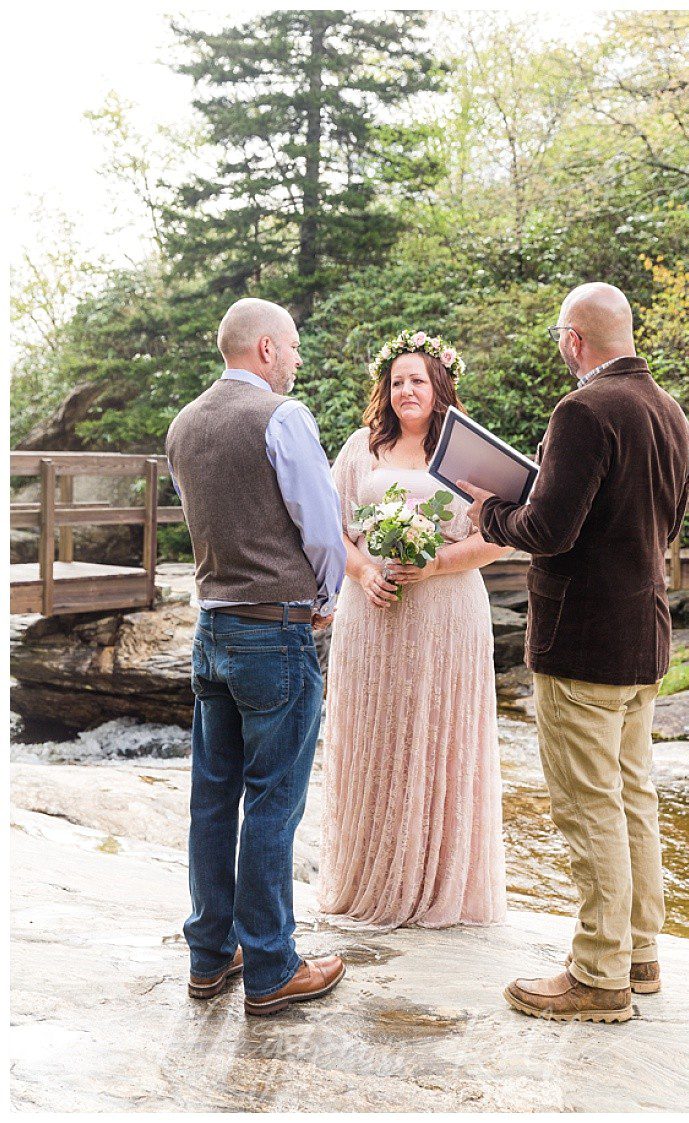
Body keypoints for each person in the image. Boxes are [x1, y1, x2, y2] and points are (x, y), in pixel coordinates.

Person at [458, 282, 689, 1024]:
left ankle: (598, 975)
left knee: (589, 804)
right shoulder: (671, 411)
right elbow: (665, 521)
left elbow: (551, 528)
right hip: (644, 631)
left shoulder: (583, 410)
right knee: (631, 795)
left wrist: (490, 508)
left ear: (573, 340)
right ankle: (640, 951)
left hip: (581, 638)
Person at [165, 297, 348, 1016]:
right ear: (266, 349)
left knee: (212, 800)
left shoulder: (182, 425)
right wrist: (326, 598)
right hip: (274, 630)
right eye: (295, 347)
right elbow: (323, 528)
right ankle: (272, 965)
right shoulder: (282, 417)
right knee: (274, 801)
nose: (298, 360)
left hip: (210, 632)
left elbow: (203, 519)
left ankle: (211, 956)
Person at [317, 330, 512, 929]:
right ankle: (369, 879)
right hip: (372, 614)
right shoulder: (360, 449)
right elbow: (334, 530)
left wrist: (436, 563)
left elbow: (502, 535)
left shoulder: (469, 452)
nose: (407, 390)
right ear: (386, 389)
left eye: (418, 380)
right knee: (375, 735)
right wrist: (365, 571)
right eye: (397, 381)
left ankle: (437, 886)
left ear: (439, 386)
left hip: (448, 615)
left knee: (441, 733)